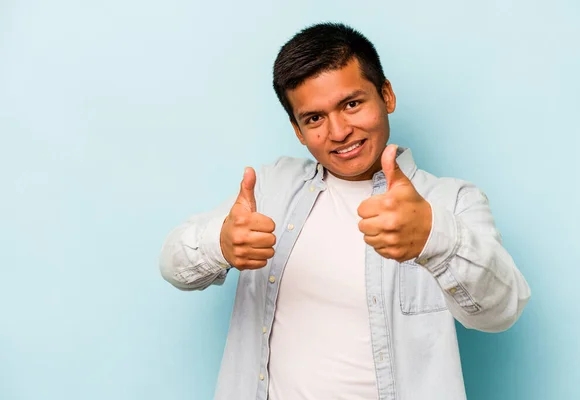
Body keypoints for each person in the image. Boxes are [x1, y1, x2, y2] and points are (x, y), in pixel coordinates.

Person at [159, 22, 531, 400]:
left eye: (351, 104)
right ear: (298, 130)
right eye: (314, 118)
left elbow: (502, 311)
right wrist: (219, 245)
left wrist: (436, 236)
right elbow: (173, 264)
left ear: (386, 95)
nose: (338, 132)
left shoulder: (451, 200)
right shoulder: (269, 189)